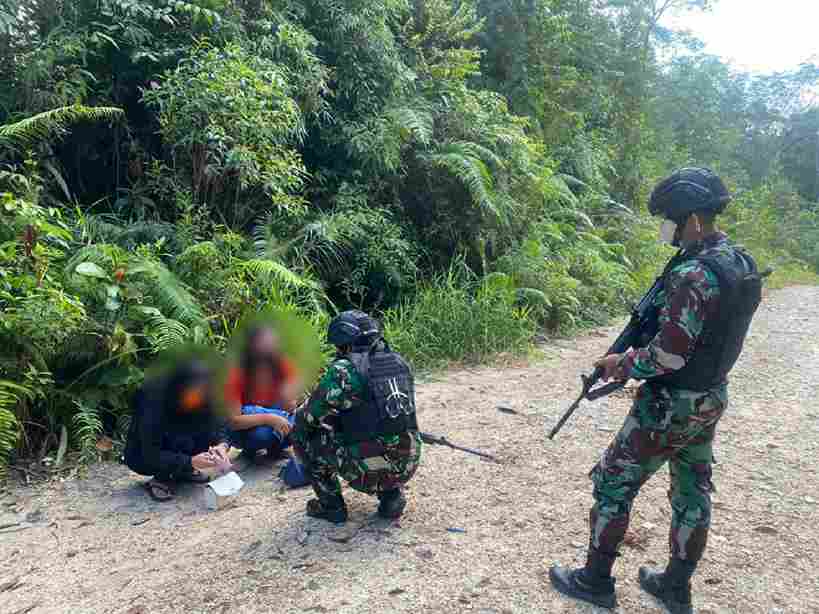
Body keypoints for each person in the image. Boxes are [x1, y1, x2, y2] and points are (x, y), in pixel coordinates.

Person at [548, 168, 763, 613]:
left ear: (691, 219)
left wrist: (621, 365)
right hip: (708, 398)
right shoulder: (736, 262)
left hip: (669, 406)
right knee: (692, 490)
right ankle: (674, 586)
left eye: (669, 217)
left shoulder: (693, 275)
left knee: (613, 481)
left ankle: (594, 581)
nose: (665, 225)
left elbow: (669, 353)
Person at [292, 310, 423, 524]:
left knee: (304, 437)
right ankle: (391, 496)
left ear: (345, 343)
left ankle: (331, 506)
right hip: (408, 463)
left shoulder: (344, 370)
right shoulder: (399, 362)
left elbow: (306, 418)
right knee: (385, 435)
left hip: (370, 469)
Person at [124, 359, 231, 501]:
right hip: (143, 454)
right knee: (178, 441)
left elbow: (220, 424)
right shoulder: (153, 399)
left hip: (180, 438)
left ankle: (182, 471)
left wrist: (221, 445)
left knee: (203, 427)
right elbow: (150, 453)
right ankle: (160, 478)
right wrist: (189, 461)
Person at [224, 325, 302, 464]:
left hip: (276, 416)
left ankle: (276, 449)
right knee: (261, 435)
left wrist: (289, 401)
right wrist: (270, 418)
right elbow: (233, 422)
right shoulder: (237, 372)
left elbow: (291, 407)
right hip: (247, 426)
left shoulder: (282, 365)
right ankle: (250, 449)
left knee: (301, 424)